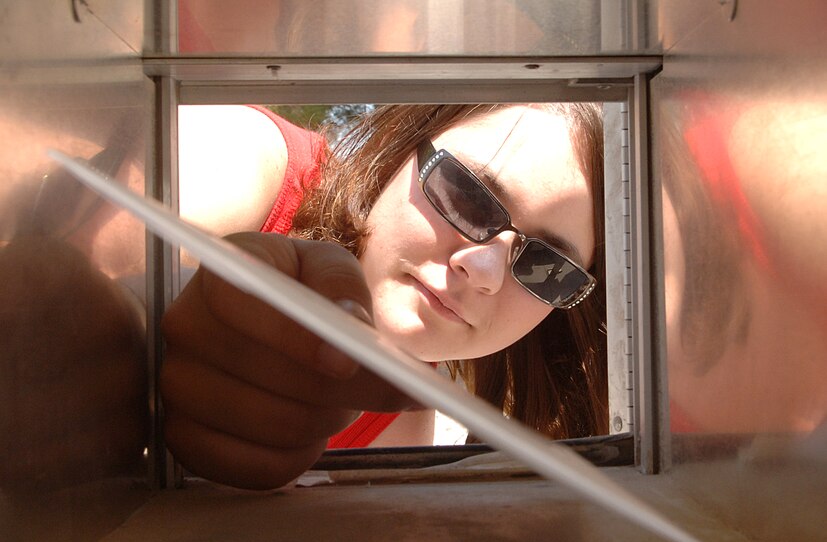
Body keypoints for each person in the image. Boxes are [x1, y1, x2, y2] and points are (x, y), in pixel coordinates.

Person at [161, 103, 608, 490]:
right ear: (402, 146)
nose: (485, 271)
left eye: (548, 269)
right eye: (468, 196)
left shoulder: (399, 428)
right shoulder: (248, 161)